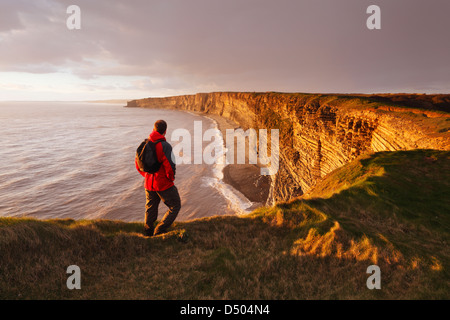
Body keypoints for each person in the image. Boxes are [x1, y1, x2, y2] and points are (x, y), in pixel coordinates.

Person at [135, 120, 181, 237]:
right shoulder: (165, 146)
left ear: (153, 129)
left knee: (151, 208)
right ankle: (159, 230)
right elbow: (170, 167)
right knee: (175, 205)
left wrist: (146, 176)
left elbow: (138, 163)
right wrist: (170, 180)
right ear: (165, 131)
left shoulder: (145, 144)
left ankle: (148, 232)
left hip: (149, 183)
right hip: (162, 183)